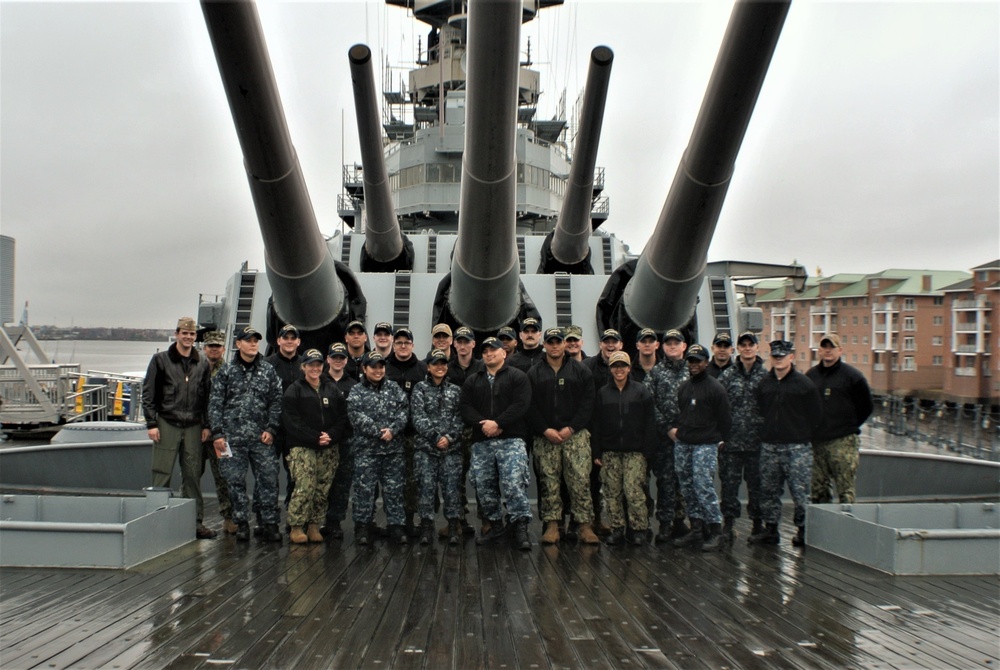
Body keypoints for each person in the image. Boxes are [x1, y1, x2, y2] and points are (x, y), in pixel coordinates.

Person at [209, 326, 284, 542]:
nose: (253, 344)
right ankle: (241, 522)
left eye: (255, 340)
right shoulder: (226, 372)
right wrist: (218, 434)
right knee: (234, 481)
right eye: (248, 340)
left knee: (269, 478)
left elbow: (276, 402)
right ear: (238, 344)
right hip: (232, 439)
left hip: (261, 438)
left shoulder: (268, 370)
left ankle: (269, 522)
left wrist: (271, 429)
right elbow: (215, 404)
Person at [142, 317, 214, 539]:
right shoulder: (160, 360)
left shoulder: (202, 363)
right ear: (176, 334)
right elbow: (149, 393)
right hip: (167, 422)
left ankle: (195, 522)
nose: (188, 337)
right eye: (185, 333)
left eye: (192, 334)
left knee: (192, 475)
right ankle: (154, 521)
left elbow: (207, 396)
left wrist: (207, 424)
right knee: (161, 472)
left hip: (193, 424)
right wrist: (151, 423)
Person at [459, 337, 533, 549]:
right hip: (482, 441)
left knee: (513, 484)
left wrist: (499, 422)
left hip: (511, 440)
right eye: (485, 351)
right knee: (483, 486)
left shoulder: (517, 377)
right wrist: (483, 424)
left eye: (494, 350)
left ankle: (519, 528)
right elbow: (465, 407)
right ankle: (495, 526)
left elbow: (522, 404)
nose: (489, 354)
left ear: (504, 353)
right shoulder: (474, 380)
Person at [527, 327, 597, 545]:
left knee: (580, 480)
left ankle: (585, 525)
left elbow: (588, 403)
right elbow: (529, 406)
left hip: (574, 435)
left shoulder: (581, 371)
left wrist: (572, 427)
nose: (555, 346)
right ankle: (552, 525)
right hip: (545, 435)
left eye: (559, 342)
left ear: (565, 344)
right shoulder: (534, 373)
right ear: (544, 345)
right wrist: (544, 429)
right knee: (549, 482)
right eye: (551, 342)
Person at [751, 339, 822, 547]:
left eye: (782, 356)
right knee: (769, 490)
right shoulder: (764, 384)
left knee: (801, 492)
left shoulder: (804, 385)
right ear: (771, 358)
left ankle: (803, 530)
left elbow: (816, 416)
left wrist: (800, 434)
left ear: (791, 357)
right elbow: (760, 411)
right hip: (770, 446)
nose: (779, 360)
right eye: (775, 356)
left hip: (797, 447)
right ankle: (771, 529)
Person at [281, 349, 349, 544]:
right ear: (303, 367)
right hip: (302, 446)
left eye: (318, 364)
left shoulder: (331, 389)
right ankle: (296, 525)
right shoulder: (294, 390)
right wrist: (314, 437)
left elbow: (343, 417)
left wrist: (332, 435)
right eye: (311, 364)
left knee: (322, 488)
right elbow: (291, 421)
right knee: (304, 486)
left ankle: (313, 525)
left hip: (328, 446)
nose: (315, 368)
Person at [669, 344, 731, 551]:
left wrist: (721, 440)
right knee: (687, 487)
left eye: (698, 361)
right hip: (684, 443)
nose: (694, 364)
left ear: (706, 362)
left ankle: (715, 531)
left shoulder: (716, 388)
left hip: (706, 443)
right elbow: (681, 412)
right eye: (691, 361)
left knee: (704, 486)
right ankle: (696, 530)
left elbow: (725, 419)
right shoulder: (684, 388)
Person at [591, 351, 656, 546]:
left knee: (634, 491)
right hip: (610, 451)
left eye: (622, 366)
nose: (619, 370)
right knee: (612, 493)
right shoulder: (602, 393)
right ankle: (617, 528)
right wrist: (597, 451)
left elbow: (650, 423)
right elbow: (596, 425)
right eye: (615, 366)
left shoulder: (641, 391)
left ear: (629, 368)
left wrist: (647, 451)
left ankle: (638, 529)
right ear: (610, 369)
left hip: (635, 451)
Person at [348, 351, 411, 545]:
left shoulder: (393, 388)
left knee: (394, 491)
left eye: (381, 366)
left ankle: (396, 526)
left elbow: (404, 410)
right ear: (364, 368)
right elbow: (355, 415)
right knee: (364, 491)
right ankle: (363, 527)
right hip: (366, 451)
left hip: (392, 450)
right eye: (373, 366)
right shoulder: (356, 390)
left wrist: (392, 430)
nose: (378, 370)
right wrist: (378, 431)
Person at [806, 333, 874, 504]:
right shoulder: (811, 376)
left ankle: (847, 525)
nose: (828, 351)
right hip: (817, 442)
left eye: (832, 347)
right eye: (824, 347)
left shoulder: (853, 377)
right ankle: (822, 526)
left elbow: (866, 407)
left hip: (843, 442)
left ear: (840, 350)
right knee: (818, 490)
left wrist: (848, 426)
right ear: (819, 350)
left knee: (845, 490)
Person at [411, 349, 466, 545]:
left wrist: (449, 438)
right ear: (428, 367)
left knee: (452, 489)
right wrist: (435, 437)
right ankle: (426, 527)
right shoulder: (419, 389)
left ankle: (453, 526)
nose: (440, 367)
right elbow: (418, 417)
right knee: (425, 489)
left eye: (443, 363)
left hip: (451, 450)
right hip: (426, 449)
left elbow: (460, 418)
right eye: (435, 363)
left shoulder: (456, 391)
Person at [717, 331, 767, 541]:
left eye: (751, 344)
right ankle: (728, 526)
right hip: (731, 444)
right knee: (729, 487)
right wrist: (719, 437)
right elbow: (717, 407)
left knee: (757, 487)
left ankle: (757, 525)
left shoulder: (766, 377)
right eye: (743, 344)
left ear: (757, 347)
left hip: (757, 444)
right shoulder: (727, 376)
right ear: (737, 348)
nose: (747, 348)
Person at [643, 328, 689, 542]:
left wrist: (687, 429)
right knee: (666, 481)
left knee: (686, 480)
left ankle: (681, 521)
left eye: (676, 342)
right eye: (668, 342)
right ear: (662, 346)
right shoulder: (656, 373)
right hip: (664, 438)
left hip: (689, 438)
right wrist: (667, 428)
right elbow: (649, 404)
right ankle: (664, 523)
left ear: (684, 346)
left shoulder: (693, 371)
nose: (672, 346)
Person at [385, 326, 427, 535]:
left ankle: (409, 520)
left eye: (406, 342)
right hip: (388, 436)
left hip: (413, 435)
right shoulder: (382, 367)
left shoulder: (423, 369)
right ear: (393, 345)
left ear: (413, 345)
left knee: (411, 480)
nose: (403, 346)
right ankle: (394, 522)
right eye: (399, 342)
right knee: (392, 481)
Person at [265, 323, 303, 519]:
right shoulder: (267, 365)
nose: (289, 341)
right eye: (285, 338)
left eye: (292, 338)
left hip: (296, 432)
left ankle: (293, 514)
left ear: (298, 341)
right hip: (272, 430)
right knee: (268, 476)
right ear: (278, 340)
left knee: (296, 476)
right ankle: (268, 519)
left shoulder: (305, 366)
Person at [201, 330, 235, 534]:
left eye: (217, 346)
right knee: (192, 476)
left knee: (225, 477)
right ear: (205, 348)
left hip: (220, 435)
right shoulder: (196, 370)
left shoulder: (229, 372)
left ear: (223, 348)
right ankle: (193, 517)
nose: (214, 349)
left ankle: (229, 517)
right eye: (210, 346)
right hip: (198, 433)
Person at [322, 343, 358, 539]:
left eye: (341, 357)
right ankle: (314, 519)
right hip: (321, 441)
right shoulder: (318, 381)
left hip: (345, 441)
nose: (338, 360)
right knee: (320, 481)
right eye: (334, 357)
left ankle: (334, 521)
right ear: (327, 359)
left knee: (342, 483)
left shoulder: (353, 386)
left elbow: (353, 415)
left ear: (346, 360)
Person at [583, 328, 623, 395]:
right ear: (600, 345)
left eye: (614, 342)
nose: (610, 345)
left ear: (621, 345)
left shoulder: (627, 367)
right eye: (606, 342)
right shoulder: (587, 366)